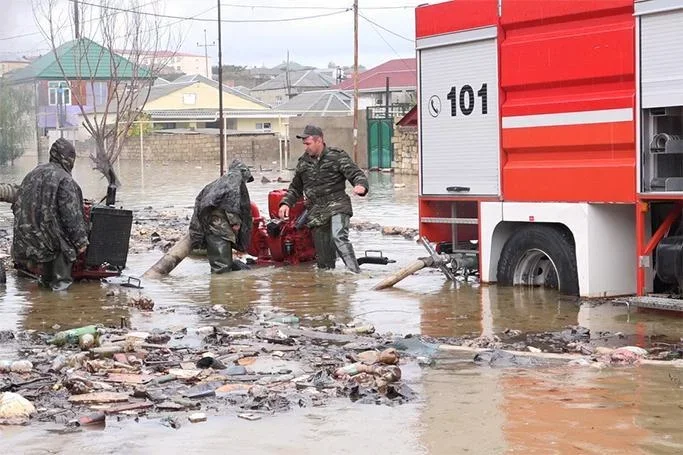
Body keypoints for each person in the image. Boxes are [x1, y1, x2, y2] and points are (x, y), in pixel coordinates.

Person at [278, 125, 369, 273]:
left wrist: (360, 186)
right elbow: (295, 187)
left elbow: (356, 174)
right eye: (304, 144)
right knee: (324, 260)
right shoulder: (303, 162)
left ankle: (355, 274)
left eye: (308, 144)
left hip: (337, 204)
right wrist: (286, 203)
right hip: (316, 210)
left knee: (338, 236)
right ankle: (327, 287)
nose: (306, 147)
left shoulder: (337, 156)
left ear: (319, 140)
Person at [12, 138, 89, 291]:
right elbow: (71, 217)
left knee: (45, 282)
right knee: (61, 286)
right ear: (69, 158)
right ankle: (58, 311)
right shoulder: (65, 180)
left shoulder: (32, 174)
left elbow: (17, 206)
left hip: (25, 243)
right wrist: (81, 243)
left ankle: (43, 311)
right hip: (52, 245)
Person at [189, 159, 254, 273]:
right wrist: (235, 222)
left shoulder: (218, 182)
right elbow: (230, 202)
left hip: (211, 223)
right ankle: (221, 288)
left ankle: (225, 286)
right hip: (218, 226)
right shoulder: (234, 179)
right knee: (221, 267)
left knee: (222, 260)